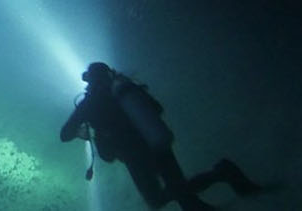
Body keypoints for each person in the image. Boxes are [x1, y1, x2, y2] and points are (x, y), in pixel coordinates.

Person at [61, 62, 263, 211]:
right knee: (185, 196)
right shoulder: (126, 90)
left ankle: (223, 172)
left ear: (89, 80)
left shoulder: (89, 104)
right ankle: (223, 174)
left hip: (134, 155)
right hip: (156, 142)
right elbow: (157, 108)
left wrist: (86, 132)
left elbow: (65, 134)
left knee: (157, 199)